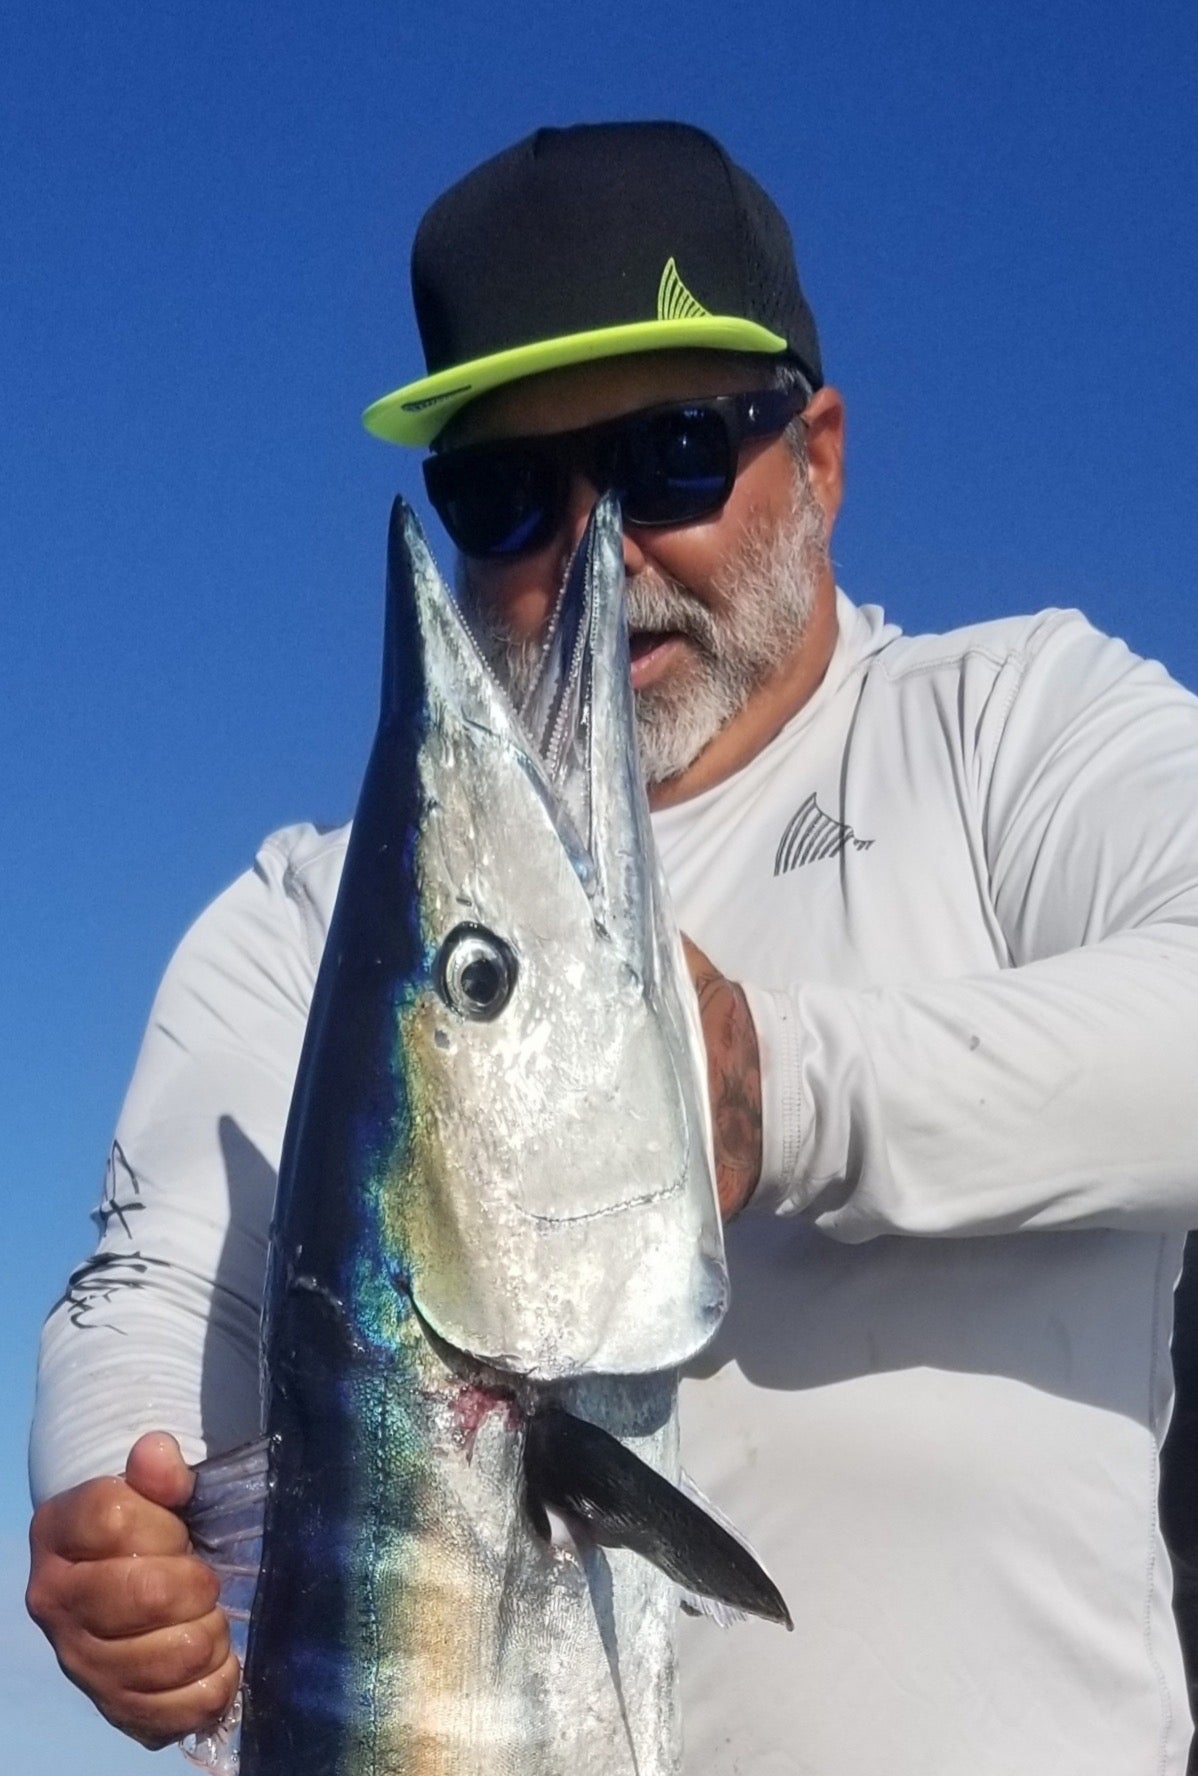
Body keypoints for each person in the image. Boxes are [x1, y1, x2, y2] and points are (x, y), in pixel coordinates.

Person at [25, 121, 1198, 1775]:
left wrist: (786, 1090)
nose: (596, 547)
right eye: (506, 496)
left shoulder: (1015, 726)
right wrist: (119, 1498)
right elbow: (153, 1278)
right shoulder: (311, 909)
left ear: (819, 455)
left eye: (674, 455)